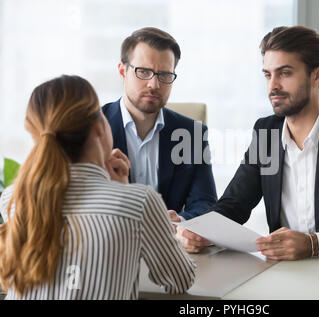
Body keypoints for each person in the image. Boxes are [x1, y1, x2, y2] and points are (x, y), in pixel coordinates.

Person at [176, 26, 319, 259]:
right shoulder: (266, 132)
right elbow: (233, 205)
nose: (272, 86)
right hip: (281, 271)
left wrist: (313, 244)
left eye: (284, 73)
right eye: (268, 74)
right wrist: (199, 231)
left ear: (318, 75)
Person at [0, 75, 195, 299]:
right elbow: (180, 279)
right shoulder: (139, 203)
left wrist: (119, 191)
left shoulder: (13, 199)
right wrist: (127, 196)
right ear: (99, 128)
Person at [102, 27, 217, 221]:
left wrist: (180, 222)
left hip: (168, 245)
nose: (154, 85)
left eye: (164, 75)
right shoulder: (91, 129)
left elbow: (205, 204)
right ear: (123, 71)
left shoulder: (192, 134)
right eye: (144, 72)